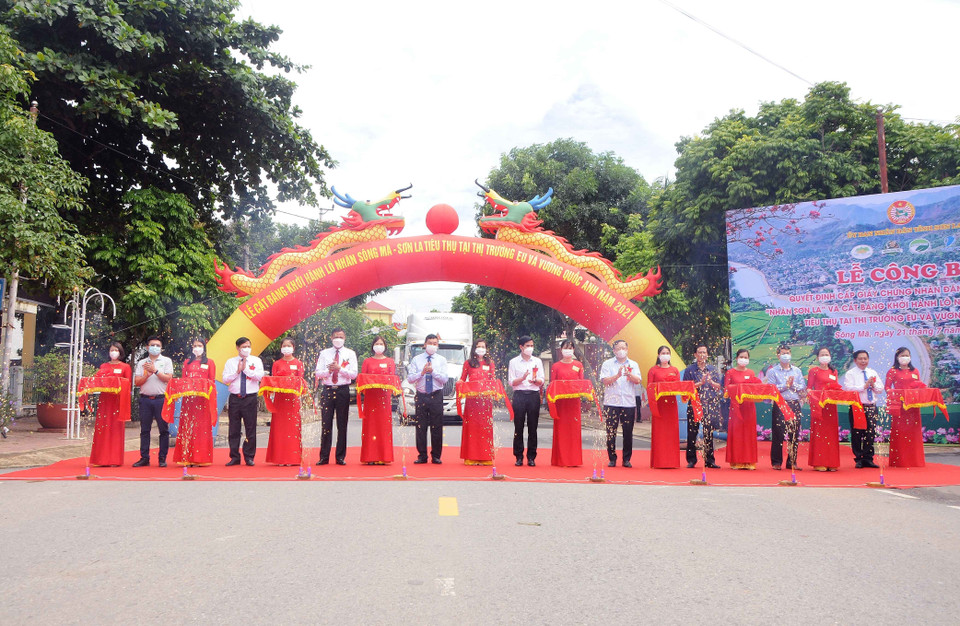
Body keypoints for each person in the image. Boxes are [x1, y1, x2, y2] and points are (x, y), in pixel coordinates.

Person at [314, 327, 358, 465]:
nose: (338, 339)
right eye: (336, 337)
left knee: (342, 424)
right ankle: (324, 456)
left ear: (344, 338)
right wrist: (329, 370)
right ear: (331, 338)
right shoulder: (324, 353)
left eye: (341, 337)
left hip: (343, 390)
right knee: (326, 424)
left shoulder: (350, 353)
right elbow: (318, 373)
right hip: (327, 389)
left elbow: (353, 374)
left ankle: (340, 457)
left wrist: (340, 369)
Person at [172, 338, 217, 466]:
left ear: (204, 348)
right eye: (194, 345)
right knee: (187, 426)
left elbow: (212, 381)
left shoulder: (210, 362)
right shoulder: (187, 362)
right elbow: (184, 380)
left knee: (201, 427)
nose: (197, 348)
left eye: (199, 345)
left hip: (203, 401)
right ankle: (186, 456)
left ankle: (200, 458)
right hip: (189, 400)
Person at [132, 336, 174, 467]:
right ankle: (144, 457)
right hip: (145, 399)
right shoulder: (141, 362)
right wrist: (147, 375)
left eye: (157, 345)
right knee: (145, 430)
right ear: (147, 347)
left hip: (161, 399)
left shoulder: (166, 361)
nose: (155, 347)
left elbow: (169, 379)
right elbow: (137, 382)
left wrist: (155, 371)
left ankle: (162, 458)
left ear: (161, 348)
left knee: (163, 430)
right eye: (152, 345)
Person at [222, 337, 265, 466]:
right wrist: (237, 372)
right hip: (235, 398)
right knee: (234, 429)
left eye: (248, 346)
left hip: (250, 398)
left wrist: (245, 369)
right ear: (238, 348)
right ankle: (234, 456)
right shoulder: (230, 362)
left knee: (250, 428)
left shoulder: (256, 360)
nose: (246, 349)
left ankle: (249, 456)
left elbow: (259, 376)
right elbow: (225, 379)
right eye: (243, 347)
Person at [89, 342, 132, 467]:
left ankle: (114, 459)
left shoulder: (125, 367)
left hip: (118, 401)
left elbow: (128, 384)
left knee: (115, 429)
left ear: (120, 352)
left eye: (116, 350)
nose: (113, 352)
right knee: (103, 428)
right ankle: (100, 459)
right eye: (111, 349)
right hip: (105, 401)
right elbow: (99, 380)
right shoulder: (104, 366)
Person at [407, 333, 448, 464]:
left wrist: (433, 371)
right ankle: (422, 455)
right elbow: (410, 378)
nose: (432, 345)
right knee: (421, 426)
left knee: (437, 426)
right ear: (425, 344)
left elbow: (444, 379)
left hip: (436, 394)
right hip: (421, 394)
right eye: (429, 343)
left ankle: (436, 456)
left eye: (434, 344)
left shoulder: (441, 360)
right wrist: (423, 372)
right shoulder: (416, 359)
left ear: (438, 345)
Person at [600, 340, 641, 468]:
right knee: (611, 431)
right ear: (614, 351)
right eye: (619, 348)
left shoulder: (633, 364)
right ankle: (612, 458)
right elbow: (605, 381)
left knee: (628, 432)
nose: (621, 350)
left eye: (623, 348)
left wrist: (629, 374)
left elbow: (638, 380)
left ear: (627, 349)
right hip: (611, 402)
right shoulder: (608, 364)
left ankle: (626, 459)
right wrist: (617, 375)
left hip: (628, 403)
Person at [884, 346, 927, 468]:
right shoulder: (892, 371)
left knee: (914, 433)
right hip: (900, 407)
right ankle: (900, 461)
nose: (905, 357)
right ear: (897, 357)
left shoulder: (915, 371)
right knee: (900, 433)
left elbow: (918, 386)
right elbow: (887, 388)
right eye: (902, 355)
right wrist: (897, 394)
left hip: (913, 407)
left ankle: (915, 461)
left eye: (907, 355)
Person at [764, 345, 805, 471]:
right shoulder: (772, 371)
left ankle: (792, 461)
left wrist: (792, 385)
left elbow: (802, 387)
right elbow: (772, 389)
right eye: (783, 353)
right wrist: (786, 385)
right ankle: (776, 462)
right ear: (778, 355)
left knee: (794, 433)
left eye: (787, 353)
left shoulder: (797, 370)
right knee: (778, 433)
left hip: (794, 403)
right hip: (780, 403)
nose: (786, 355)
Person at [265, 337, 305, 466]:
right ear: (281, 348)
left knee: (292, 428)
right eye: (284, 345)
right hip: (280, 400)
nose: (286, 347)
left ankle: (292, 458)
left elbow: (301, 381)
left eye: (289, 345)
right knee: (279, 427)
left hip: (293, 401)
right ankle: (279, 458)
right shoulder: (277, 363)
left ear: (293, 348)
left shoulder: (298, 363)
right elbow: (274, 380)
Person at [681, 345, 721, 469]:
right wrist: (700, 383)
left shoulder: (712, 369)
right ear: (695, 355)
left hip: (709, 403)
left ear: (707, 354)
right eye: (699, 352)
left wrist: (711, 382)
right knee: (692, 431)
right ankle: (691, 459)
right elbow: (685, 388)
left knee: (708, 432)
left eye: (704, 352)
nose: (702, 354)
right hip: (694, 403)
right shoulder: (690, 370)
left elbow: (719, 387)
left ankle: (710, 460)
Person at [842, 349, 883, 469]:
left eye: (865, 358)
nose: (863, 361)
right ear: (855, 360)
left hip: (871, 406)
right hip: (857, 407)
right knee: (857, 433)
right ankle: (858, 458)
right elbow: (848, 389)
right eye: (860, 358)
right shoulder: (851, 373)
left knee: (870, 433)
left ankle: (868, 458)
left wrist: (872, 385)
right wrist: (863, 386)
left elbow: (880, 389)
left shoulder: (872, 372)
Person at [459, 339, 496, 465]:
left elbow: (493, 381)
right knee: (472, 428)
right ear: (474, 348)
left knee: (485, 427)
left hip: (485, 402)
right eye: (479, 346)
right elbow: (462, 380)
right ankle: (471, 456)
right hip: (472, 402)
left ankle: (485, 456)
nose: (481, 348)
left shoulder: (490, 363)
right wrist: (459, 385)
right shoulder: (468, 363)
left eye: (483, 346)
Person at [509, 335, 544, 467]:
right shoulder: (514, 362)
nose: (530, 348)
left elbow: (541, 379)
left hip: (533, 395)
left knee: (533, 427)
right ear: (521, 347)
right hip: (519, 395)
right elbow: (511, 382)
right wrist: (522, 378)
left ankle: (531, 457)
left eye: (531, 345)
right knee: (518, 427)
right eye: (527, 346)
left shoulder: (537, 361)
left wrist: (536, 381)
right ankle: (518, 456)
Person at [359, 335, 395, 464]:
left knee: (383, 426)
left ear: (384, 346)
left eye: (381, 343)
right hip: (370, 398)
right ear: (373, 346)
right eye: (377, 343)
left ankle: (384, 456)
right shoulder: (367, 361)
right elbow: (362, 378)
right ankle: (370, 457)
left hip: (384, 399)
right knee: (370, 426)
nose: (379, 346)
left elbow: (392, 379)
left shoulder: (390, 361)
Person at [806, 347, 842, 471]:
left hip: (831, 406)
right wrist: (814, 398)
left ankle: (832, 462)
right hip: (819, 406)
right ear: (817, 357)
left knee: (831, 434)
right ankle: (819, 462)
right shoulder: (814, 371)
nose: (825, 356)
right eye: (822, 354)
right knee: (820, 434)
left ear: (830, 356)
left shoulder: (834, 371)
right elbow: (809, 388)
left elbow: (836, 387)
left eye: (827, 354)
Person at [550, 340, 585, 467]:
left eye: (570, 348)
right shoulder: (556, 366)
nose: (568, 350)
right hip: (561, 403)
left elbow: (581, 383)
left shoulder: (578, 365)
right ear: (561, 350)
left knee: (574, 430)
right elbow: (553, 385)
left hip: (574, 403)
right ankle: (561, 459)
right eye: (565, 348)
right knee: (561, 430)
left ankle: (574, 460)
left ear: (574, 350)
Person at [724, 348, 760, 470]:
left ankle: (749, 461)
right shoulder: (730, 372)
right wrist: (737, 390)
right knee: (738, 433)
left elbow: (754, 389)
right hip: (736, 407)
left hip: (749, 407)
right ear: (737, 358)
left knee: (748, 433)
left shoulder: (750, 373)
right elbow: (726, 390)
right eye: (741, 357)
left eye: (746, 357)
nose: (743, 359)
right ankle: (737, 460)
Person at [646, 345, 681, 468]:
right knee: (659, 433)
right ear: (658, 355)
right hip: (659, 405)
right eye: (663, 353)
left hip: (671, 405)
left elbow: (678, 387)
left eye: (667, 353)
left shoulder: (675, 370)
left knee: (671, 432)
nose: (665, 355)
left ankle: (672, 461)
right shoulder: (653, 370)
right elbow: (649, 387)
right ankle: (659, 461)